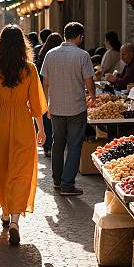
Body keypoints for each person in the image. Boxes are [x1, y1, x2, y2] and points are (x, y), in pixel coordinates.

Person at [0, 25, 47, 245]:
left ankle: (5, 213)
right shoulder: (30, 69)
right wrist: (41, 129)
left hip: (0, 123)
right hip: (24, 125)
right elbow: (36, 104)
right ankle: (15, 220)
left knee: (1, 169)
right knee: (21, 171)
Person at [41, 22, 96, 196]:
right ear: (80, 37)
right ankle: (67, 184)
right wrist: (93, 97)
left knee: (58, 144)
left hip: (56, 107)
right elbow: (89, 81)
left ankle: (57, 180)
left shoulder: (50, 54)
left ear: (65, 35)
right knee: (74, 145)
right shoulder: (83, 55)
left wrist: (46, 104)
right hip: (76, 107)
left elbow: (46, 83)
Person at [36, 32, 63, 158]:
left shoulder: (43, 54)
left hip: (44, 89)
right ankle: (56, 145)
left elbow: (41, 75)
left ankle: (47, 146)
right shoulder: (61, 55)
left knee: (46, 118)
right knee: (57, 119)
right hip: (58, 88)